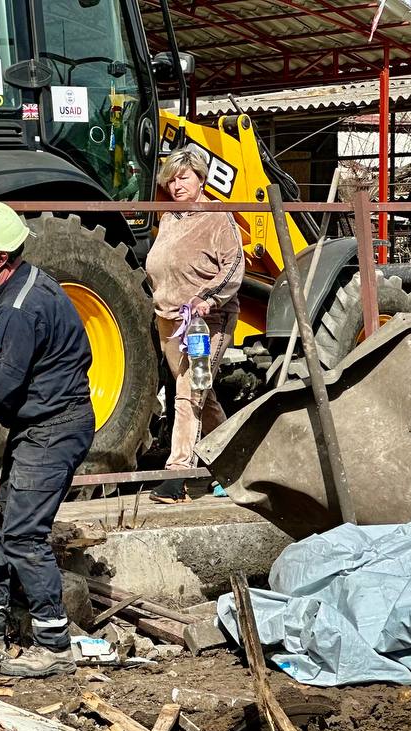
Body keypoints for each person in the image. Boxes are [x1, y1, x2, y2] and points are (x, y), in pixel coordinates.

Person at [0, 201, 94, 679]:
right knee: (9, 524)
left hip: (52, 428)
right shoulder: (28, 288)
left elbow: (1, 381)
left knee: (25, 535)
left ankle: (54, 645)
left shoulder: (16, 309)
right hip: (45, 424)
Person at [144, 146, 243, 504]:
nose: (176, 185)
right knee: (203, 394)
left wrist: (210, 298)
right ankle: (234, 462)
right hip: (169, 321)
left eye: (183, 177)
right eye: (170, 180)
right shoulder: (169, 218)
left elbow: (233, 265)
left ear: (201, 178)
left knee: (188, 391)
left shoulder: (218, 217)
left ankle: (178, 474)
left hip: (206, 322)